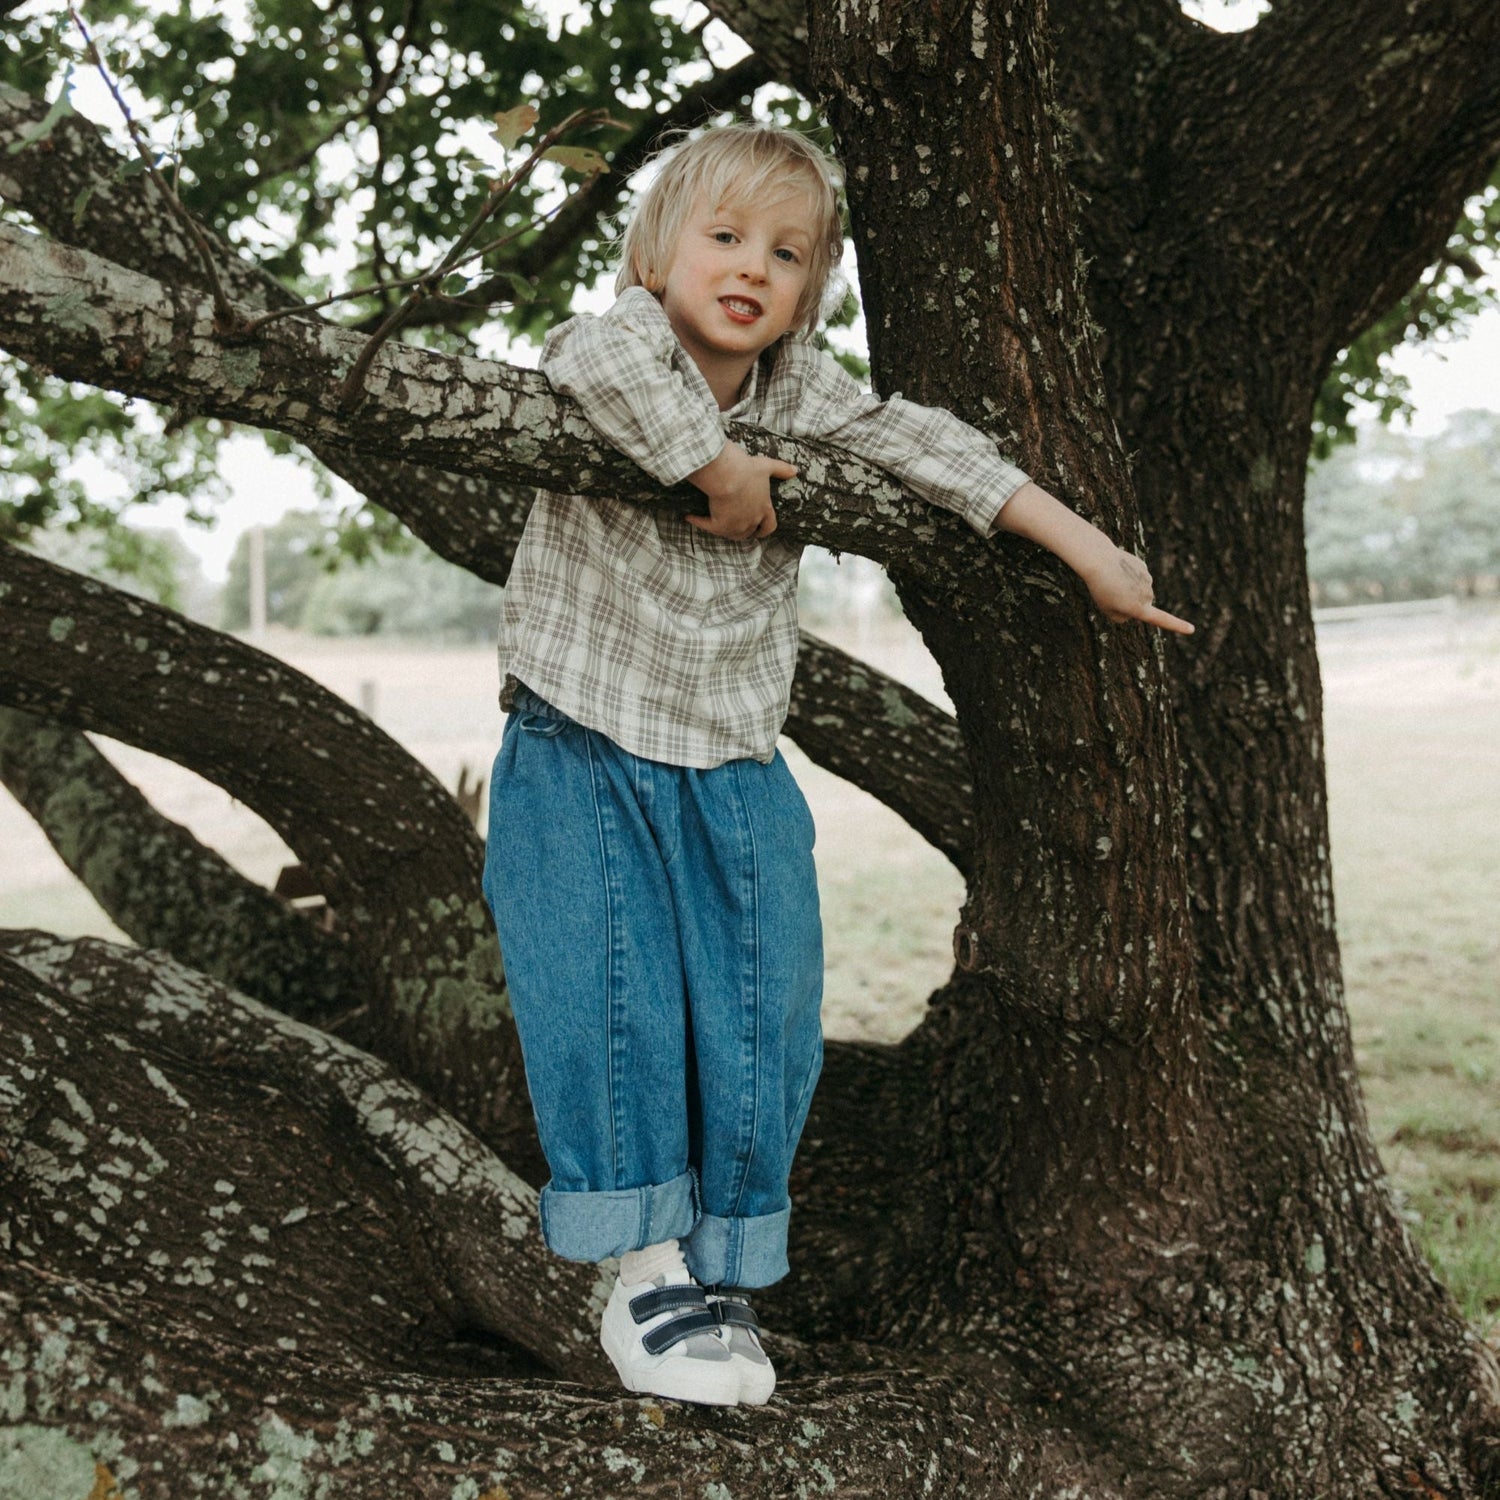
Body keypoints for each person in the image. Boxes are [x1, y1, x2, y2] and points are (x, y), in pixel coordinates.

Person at [481, 122, 1193, 1410]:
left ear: (811, 288)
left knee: (766, 1003)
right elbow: (593, 360)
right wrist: (713, 470)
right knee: (613, 1005)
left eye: (789, 252)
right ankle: (642, 1270)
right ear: (657, 252)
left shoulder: (799, 393)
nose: (753, 266)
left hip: (730, 755)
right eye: (725, 236)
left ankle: (724, 1268)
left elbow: (923, 443)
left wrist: (1088, 547)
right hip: (581, 735)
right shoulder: (621, 343)